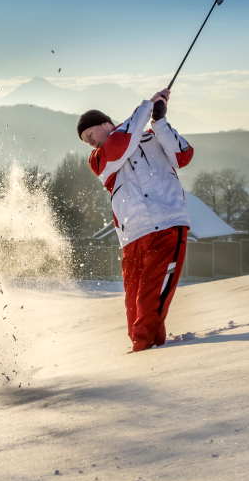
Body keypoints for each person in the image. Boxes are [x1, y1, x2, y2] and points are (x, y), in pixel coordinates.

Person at [77, 89, 194, 352]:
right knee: (136, 306)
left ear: (105, 124)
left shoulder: (153, 138)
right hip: (132, 239)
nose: (90, 142)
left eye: (90, 135)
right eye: (85, 140)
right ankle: (148, 351)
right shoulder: (100, 159)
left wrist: (160, 122)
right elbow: (119, 146)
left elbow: (183, 156)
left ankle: (145, 353)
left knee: (151, 301)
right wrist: (146, 107)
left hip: (167, 227)